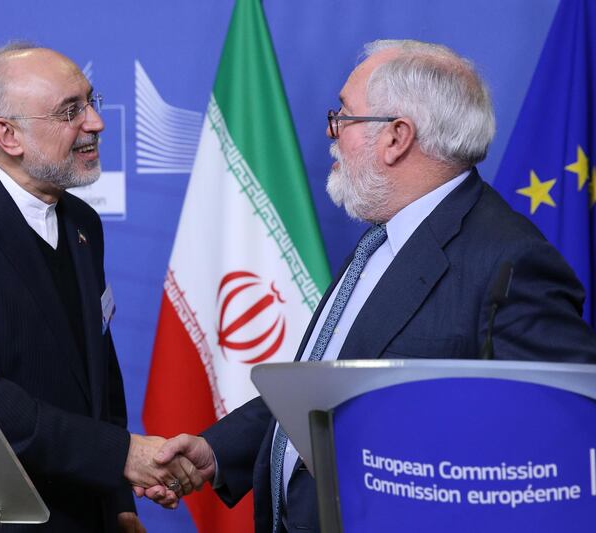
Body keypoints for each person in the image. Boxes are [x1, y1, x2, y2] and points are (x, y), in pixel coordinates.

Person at [140, 39, 596, 531]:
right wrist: (216, 449)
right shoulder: (384, 236)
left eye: (345, 117)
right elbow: (328, 383)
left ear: (397, 137)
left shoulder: (508, 259)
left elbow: (560, 437)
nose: (332, 134)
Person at [0, 42, 200, 533]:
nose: (96, 122)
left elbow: (101, 379)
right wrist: (121, 456)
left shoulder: (83, 223)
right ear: (7, 135)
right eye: (70, 111)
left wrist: (117, 499)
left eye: (91, 102)